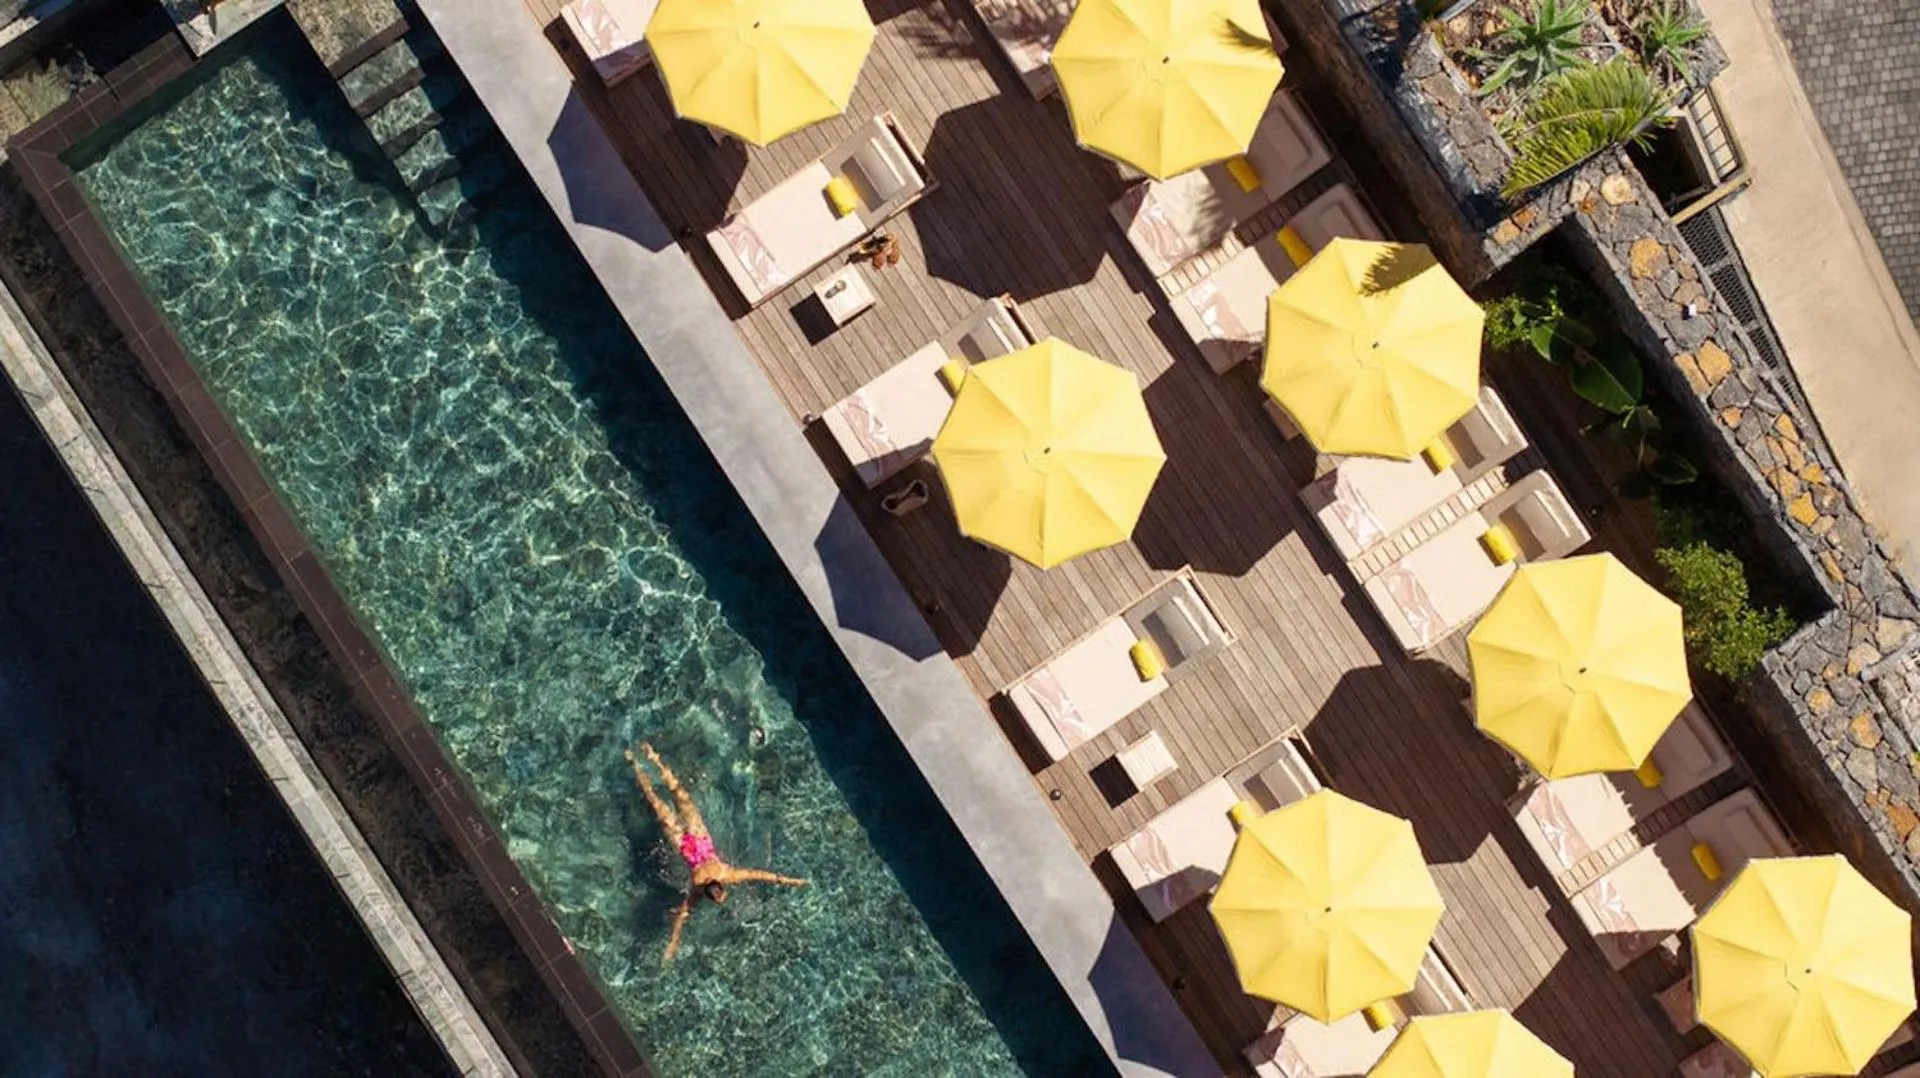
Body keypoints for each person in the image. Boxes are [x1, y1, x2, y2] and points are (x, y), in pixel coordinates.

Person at [625, 742, 806, 964]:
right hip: (691, 839)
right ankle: (646, 760)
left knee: (669, 796)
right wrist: (786, 880)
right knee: (667, 798)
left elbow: (682, 917)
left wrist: (788, 880)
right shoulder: (709, 884)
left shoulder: (715, 880)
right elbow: (759, 875)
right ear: (717, 885)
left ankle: (642, 761)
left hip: (689, 839)